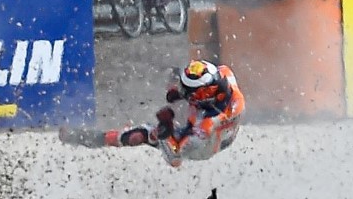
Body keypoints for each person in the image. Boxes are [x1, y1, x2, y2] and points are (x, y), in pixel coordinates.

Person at [60, 60, 246, 169]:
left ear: (202, 95)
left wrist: (166, 131)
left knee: (143, 134)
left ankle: (95, 139)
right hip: (218, 129)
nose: (183, 91)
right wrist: (181, 93)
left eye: (188, 91)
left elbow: (176, 159)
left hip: (205, 147)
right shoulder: (223, 74)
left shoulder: (206, 124)